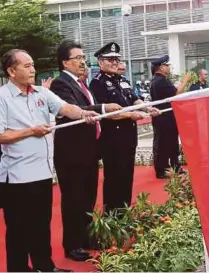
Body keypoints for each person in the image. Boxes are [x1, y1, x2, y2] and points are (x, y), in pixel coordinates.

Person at [0, 49, 99, 272]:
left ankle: (45, 266)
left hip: (43, 172)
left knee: (41, 224)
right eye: (26, 66)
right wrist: (30, 131)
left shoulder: (41, 94)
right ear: (11, 71)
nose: (33, 69)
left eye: (33, 64)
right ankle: (18, 269)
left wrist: (84, 114)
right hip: (16, 176)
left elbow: (65, 108)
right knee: (18, 227)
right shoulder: (2, 97)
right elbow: (1, 135)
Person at [50, 40, 123, 261]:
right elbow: (75, 109)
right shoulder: (61, 85)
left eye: (83, 57)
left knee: (88, 199)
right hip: (71, 154)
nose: (83, 62)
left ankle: (87, 238)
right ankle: (72, 245)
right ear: (65, 62)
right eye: (77, 58)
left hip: (89, 152)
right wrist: (103, 108)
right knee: (74, 200)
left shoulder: (83, 83)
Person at [90, 42, 160, 214]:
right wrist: (130, 115)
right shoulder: (97, 83)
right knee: (114, 178)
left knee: (127, 177)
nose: (115, 62)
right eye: (110, 59)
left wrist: (147, 108)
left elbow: (134, 99)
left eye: (117, 59)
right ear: (101, 62)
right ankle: (112, 216)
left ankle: (124, 212)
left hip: (128, 138)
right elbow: (105, 113)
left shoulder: (122, 80)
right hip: (112, 140)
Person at [150, 55, 191, 179]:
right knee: (164, 143)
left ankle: (174, 166)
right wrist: (185, 81)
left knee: (171, 143)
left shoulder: (158, 80)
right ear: (161, 67)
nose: (169, 67)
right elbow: (177, 94)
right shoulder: (161, 81)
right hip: (164, 118)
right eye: (167, 65)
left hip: (166, 117)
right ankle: (162, 169)